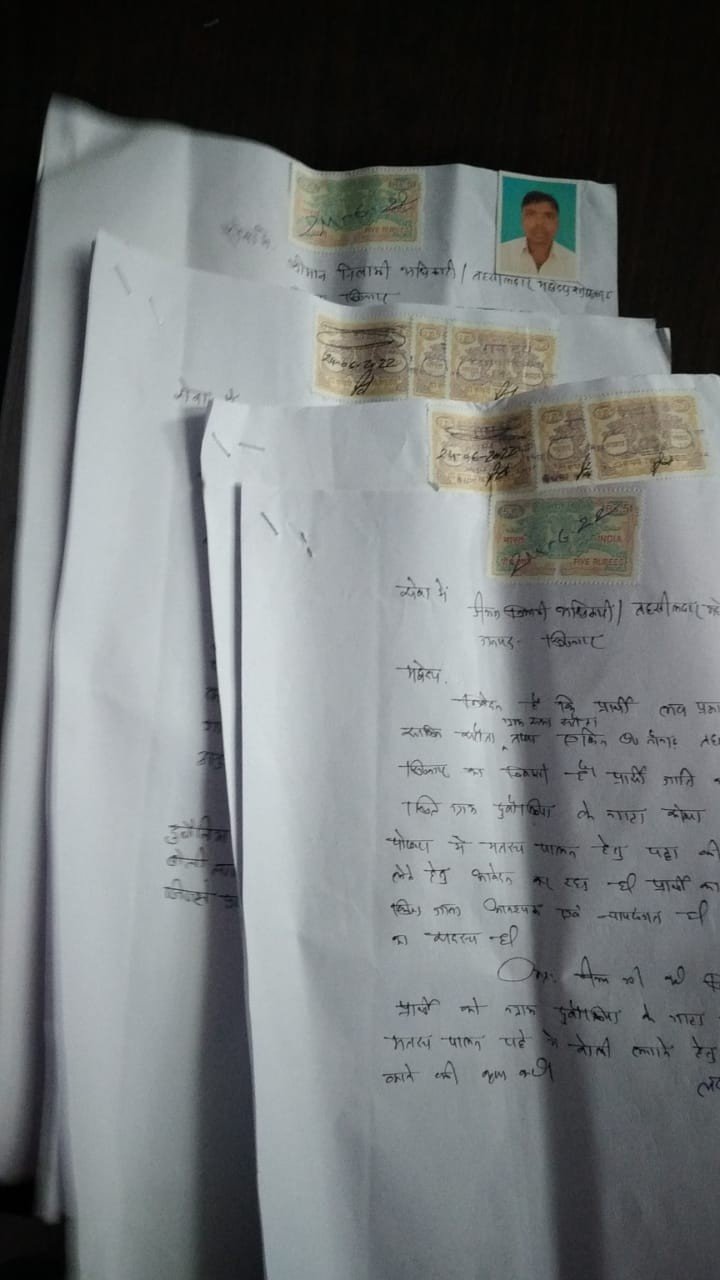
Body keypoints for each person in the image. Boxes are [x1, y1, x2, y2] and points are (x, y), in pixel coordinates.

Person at [497, 189, 577, 280]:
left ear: (557, 223)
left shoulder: (573, 263)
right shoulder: (502, 254)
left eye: (548, 216)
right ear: (522, 220)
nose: (539, 223)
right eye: (531, 214)